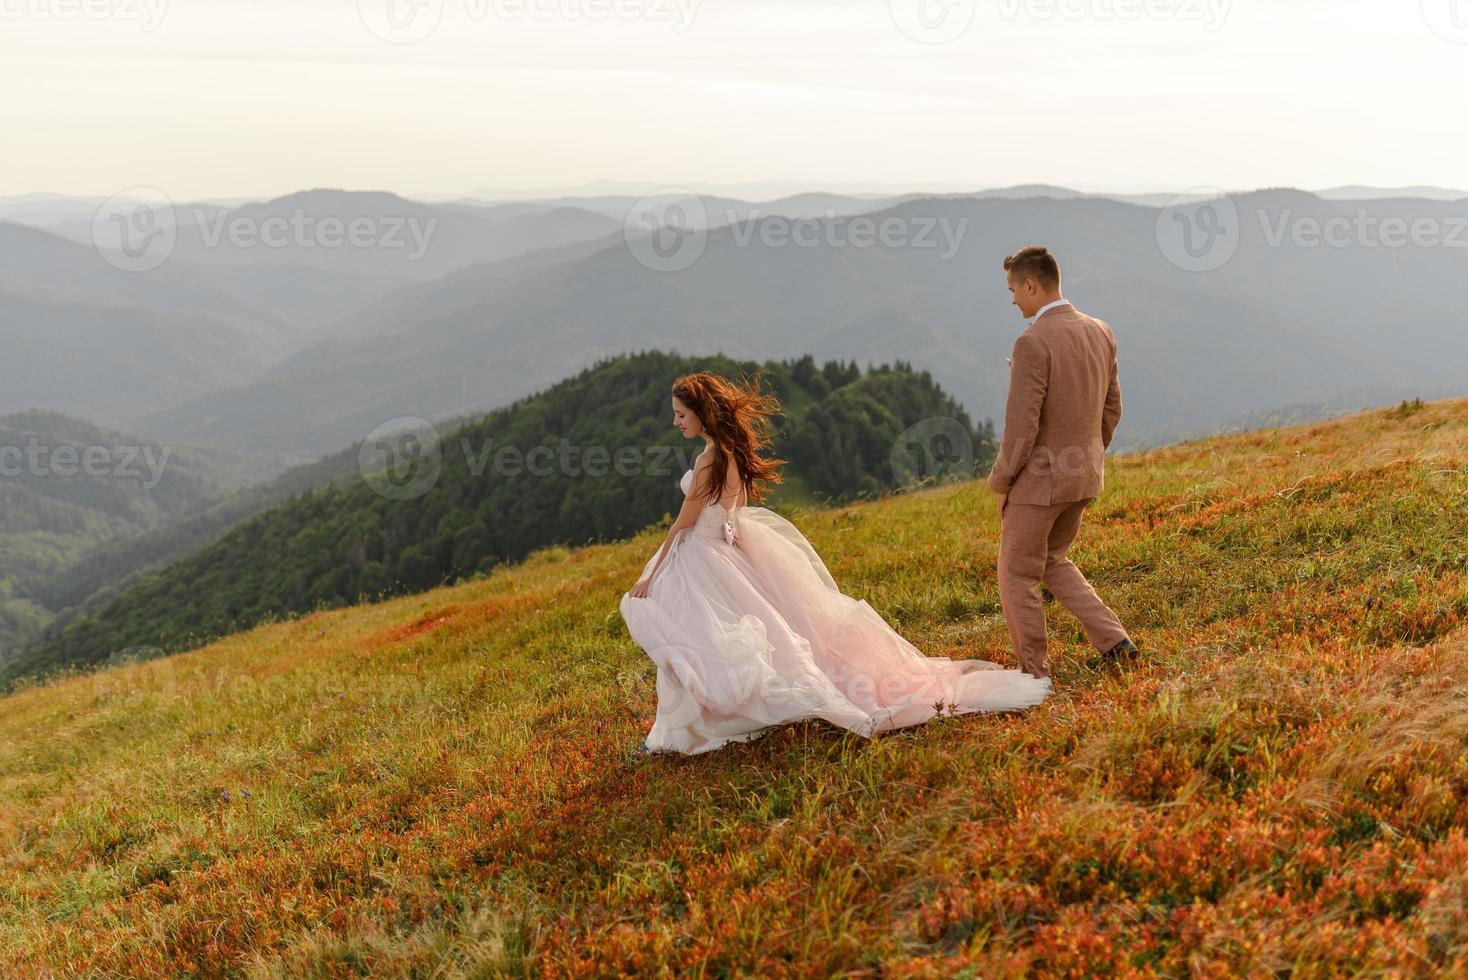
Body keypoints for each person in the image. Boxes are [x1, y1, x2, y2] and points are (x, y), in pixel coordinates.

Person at [620, 370, 1051, 755]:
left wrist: (651, 577)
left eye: (680, 414)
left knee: (690, 640)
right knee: (724, 640)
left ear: (700, 412)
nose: (676, 422)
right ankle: (694, 726)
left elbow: (683, 522)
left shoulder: (708, 459)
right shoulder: (730, 452)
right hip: (728, 551)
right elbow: (735, 508)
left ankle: (687, 731)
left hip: (704, 553)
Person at [989, 246, 1139, 680]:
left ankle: (1033, 674)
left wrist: (1001, 478)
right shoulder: (1100, 330)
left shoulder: (1032, 341)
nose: (1013, 299)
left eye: (1014, 289)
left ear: (1031, 285)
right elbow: (1113, 410)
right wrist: (1089, 455)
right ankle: (1115, 642)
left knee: (1017, 575)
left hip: (1039, 486)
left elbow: (1021, 427)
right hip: (1084, 478)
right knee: (1052, 560)